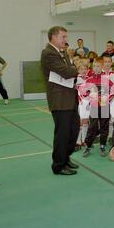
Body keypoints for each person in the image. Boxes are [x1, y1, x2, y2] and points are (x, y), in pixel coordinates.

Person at [41, 26, 80, 176]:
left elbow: (69, 70)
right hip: (60, 100)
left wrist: (72, 69)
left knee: (73, 130)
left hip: (69, 97)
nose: (65, 40)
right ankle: (58, 165)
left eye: (65, 37)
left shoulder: (61, 53)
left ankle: (65, 158)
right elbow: (67, 71)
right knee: (62, 134)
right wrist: (76, 68)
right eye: (63, 37)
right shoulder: (48, 53)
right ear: (53, 37)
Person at [82, 57, 114, 157]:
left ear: (101, 67)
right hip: (94, 107)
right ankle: (88, 146)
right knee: (92, 126)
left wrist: (107, 99)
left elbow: (113, 90)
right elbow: (84, 92)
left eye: (98, 66)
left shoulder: (106, 79)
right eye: (94, 66)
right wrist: (90, 98)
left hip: (104, 107)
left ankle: (102, 145)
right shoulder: (90, 79)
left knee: (104, 127)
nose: (95, 68)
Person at [75, 60, 91, 150]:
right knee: (80, 122)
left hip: (88, 103)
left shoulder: (89, 78)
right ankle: (77, 141)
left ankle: (84, 140)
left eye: (85, 68)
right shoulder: (77, 79)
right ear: (78, 70)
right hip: (81, 103)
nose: (84, 70)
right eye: (81, 69)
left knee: (85, 121)